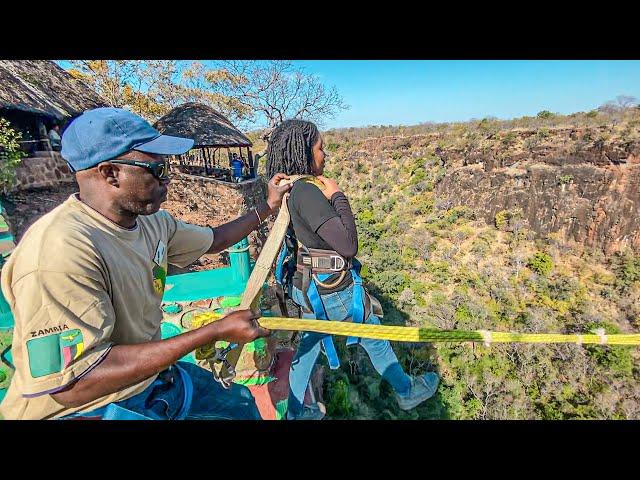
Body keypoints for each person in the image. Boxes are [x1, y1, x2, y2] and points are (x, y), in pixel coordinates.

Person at [0, 107, 291, 420]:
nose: (169, 180)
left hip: (147, 382)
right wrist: (213, 332)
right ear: (110, 173)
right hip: (85, 408)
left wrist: (268, 206)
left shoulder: (152, 224)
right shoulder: (59, 252)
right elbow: (74, 384)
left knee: (241, 406)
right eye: (158, 169)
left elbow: (215, 240)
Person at [266, 119, 439, 420]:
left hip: (309, 285)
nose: (325, 155)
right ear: (304, 152)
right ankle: (407, 391)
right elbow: (347, 245)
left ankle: (295, 412)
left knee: (309, 346)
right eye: (320, 149)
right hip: (332, 289)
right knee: (372, 334)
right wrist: (337, 196)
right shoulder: (307, 192)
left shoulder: (289, 188)